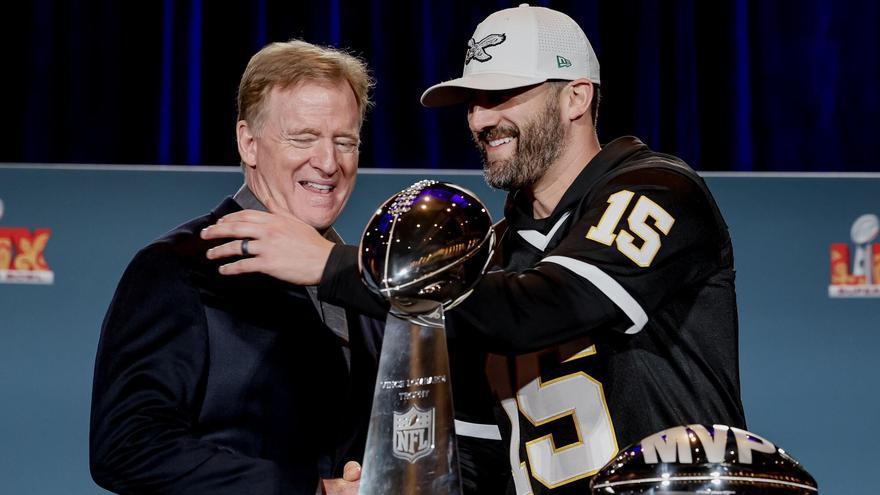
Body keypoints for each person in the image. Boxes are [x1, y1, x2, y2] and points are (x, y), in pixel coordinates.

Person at [204, 5, 747, 494]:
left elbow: (544, 308)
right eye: (472, 101)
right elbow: (475, 447)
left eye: (503, 96)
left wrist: (335, 266)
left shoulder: (656, 191)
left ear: (575, 97)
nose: (481, 119)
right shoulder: (489, 256)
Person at [90, 39, 380, 494]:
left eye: (345, 141)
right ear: (248, 142)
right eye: (303, 138)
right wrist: (312, 490)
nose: (328, 162)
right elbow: (128, 446)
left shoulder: (365, 280)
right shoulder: (177, 268)